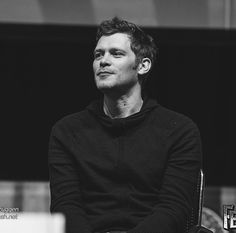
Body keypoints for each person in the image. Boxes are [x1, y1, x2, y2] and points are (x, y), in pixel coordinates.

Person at [48, 17, 202, 233]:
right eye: (98, 54)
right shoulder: (67, 131)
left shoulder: (179, 130)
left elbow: (173, 209)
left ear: (143, 65)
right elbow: (66, 206)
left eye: (116, 53)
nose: (103, 61)